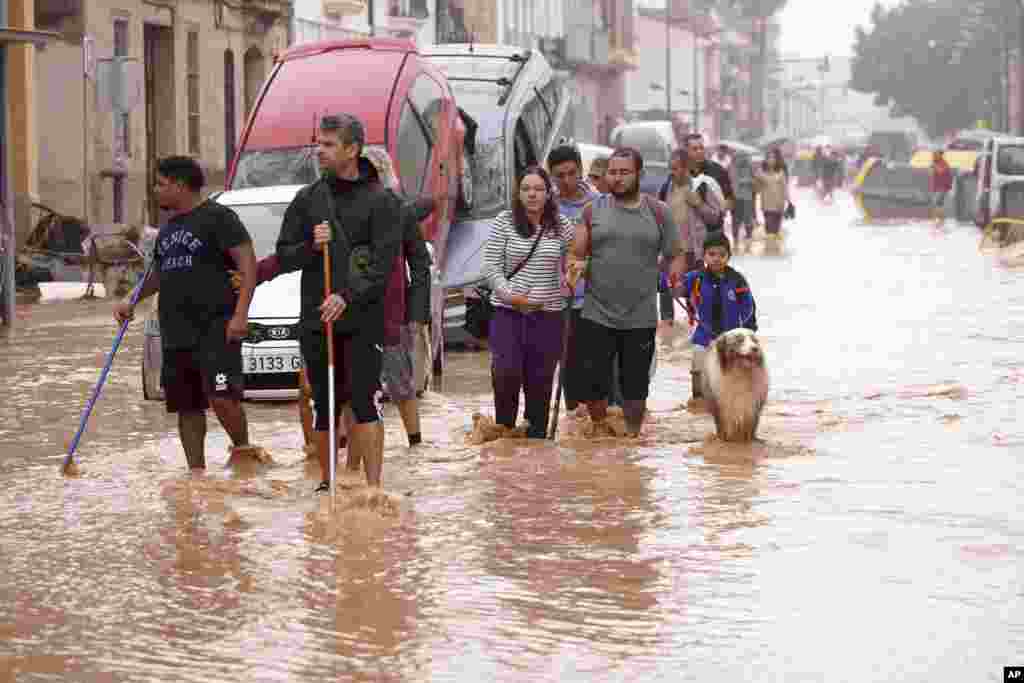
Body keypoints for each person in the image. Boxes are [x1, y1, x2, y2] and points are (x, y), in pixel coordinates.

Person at [276, 113, 403, 493]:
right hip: (318, 320)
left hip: (362, 319)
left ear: (352, 149)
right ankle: (326, 483)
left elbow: (382, 267)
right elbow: (284, 256)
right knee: (324, 402)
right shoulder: (307, 199)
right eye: (319, 143)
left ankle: (373, 488)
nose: (320, 151)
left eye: (329, 144)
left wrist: (346, 296)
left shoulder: (381, 202)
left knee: (365, 399)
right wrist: (311, 246)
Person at [114, 156, 261, 471]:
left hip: (216, 327)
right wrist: (131, 299)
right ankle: (196, 474)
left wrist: (241, 315)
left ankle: (244, 451)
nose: (156, 190)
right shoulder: (168, 229)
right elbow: (157, 274)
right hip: (176, 330)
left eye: (161, 184)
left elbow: (248, 264)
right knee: (187, 406)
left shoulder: (220, 218)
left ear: (180, 185)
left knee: (223, 397)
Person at [573, 147, 685, 437]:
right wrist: (572, 269)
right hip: (596, 312)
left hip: (641, 315)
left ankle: (632, 440)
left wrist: (675, 271)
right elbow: (576, 254)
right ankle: (599, 433)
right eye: (612, 172)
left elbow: (676, 253)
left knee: (635, 389)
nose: (617, 178)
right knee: (593, 385)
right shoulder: (592, 210)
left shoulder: (659, 212)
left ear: (639, 175)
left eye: (624, 172)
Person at [484, 165, 575, 439]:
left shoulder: (562, 225)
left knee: (541, 383)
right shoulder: (504, 221)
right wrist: (513, 297)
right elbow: (491, 268)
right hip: (508, 312)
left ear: (548, 194)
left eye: (538, 189)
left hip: (548, 316)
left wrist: (570, 277)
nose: (532, 194)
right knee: (506, 374)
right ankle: (505, 435)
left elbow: (575, 259)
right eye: (526, 189)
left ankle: (536, 444)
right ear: (518, 193)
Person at [548, 144, 601, 414]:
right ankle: (574, 420)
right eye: (560, 175)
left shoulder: (599, 202)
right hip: (560, 300)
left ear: (581, 170)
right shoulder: (547, 207)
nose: (567, 180)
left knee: (596, 365)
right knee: (568, 365)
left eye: (571, 173)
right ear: (551, 176)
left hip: (595, 299)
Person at [683, 232, 756, 401]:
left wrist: (740, 326)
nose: (717, 258)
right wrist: (665, 282)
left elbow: (748, 306)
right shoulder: (696, 278)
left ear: (729, 256)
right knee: (697, 361)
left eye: (722, 255)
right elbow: (676, 287)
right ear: (704, 256)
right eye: (712, 254)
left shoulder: (737, 280)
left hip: (730, 336)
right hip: (704, 334)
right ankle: (698, 399)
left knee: (732, 372)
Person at [658, 147, 724, 325]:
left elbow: (715, 216)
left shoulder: (701, 187)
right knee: (665, 288)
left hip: (693, 251)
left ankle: (695, 325)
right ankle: (667, 326)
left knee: (694, 292)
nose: (672, 173)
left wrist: (698, 203)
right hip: (671, 250)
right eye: (670, 168)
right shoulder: (666, 188)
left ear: (687, 168)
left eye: (676, 168)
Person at [659, 133, 734, 233]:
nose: (700, 151)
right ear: (686, 151)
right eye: (695, 149)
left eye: (701, 148)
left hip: (713, 232)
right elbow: (664, 202)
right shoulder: (676, 175)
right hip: (687, 235)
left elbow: (729, 197)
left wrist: (720, 212)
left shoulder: (717, 171)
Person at [756, 148, 791, 239]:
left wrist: (789, 201)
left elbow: (785, 188)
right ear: (766, 159)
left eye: (773, 157)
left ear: (776, 159)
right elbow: (756, 189)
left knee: (775, 231)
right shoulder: (760, 172)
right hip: (767, 205)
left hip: (779, 205)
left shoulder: (781, 172)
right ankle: (770, 249)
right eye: (769, 157)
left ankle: (773, 250)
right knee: (769, 229)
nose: (771, 160)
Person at [729, 151, 757, 244]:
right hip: (735, 197)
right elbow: (730, 180)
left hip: (747, 196)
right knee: (736, 218)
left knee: (747, 217)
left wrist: (747, 181)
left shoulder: (750, 167)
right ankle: (735, 238)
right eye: (738, 158)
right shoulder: (731, 167)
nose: (741, 160)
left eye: (743, 157)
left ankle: (748, 236)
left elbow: (755, 181)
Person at [930, 149, 953, 226]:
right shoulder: (936, 163)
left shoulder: (943, 163)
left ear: (940, 155)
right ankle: (940, 219)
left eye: (935, 155)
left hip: (942, 187)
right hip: (938, 187)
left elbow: (941, 171)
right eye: (933, 155)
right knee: (939, 203)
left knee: (938, 203)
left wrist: (935, 166)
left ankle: (940, 219)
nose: (933, 156)